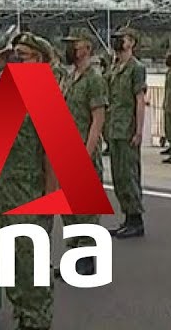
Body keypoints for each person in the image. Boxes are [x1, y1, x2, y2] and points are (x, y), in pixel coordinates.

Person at [0, 32, 58, 330]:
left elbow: (52, 152)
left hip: (32, 192)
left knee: (32, 261)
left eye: (23, 56)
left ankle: (38, 320)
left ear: (39, 59)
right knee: (13, 259)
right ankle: (23, 315)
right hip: (9, 190)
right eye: (15, 55)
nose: (17, 60)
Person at [60, 34, 108, 276]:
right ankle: (73, 254)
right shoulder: (69, 78)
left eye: (74, 45)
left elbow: (98, 119)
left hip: (83, 149)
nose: (69, 49)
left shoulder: (94, 79)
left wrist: (87, 153)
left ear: (86, 49)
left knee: (85, 208)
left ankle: (87, 259)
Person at [105, 26, 147, 238]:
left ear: (132, 42)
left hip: (127, 128)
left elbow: (140, 100)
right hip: (114, 128)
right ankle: (127, 217)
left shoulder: (136, 68)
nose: (118, 42)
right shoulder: (115, 67)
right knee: (119, 176)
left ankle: (136, 219)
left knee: (129, 175)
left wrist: (139, 131)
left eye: (122, 39)